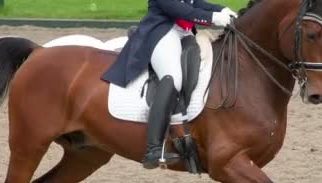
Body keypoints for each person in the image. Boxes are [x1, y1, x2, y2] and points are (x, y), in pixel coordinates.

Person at [101, 0, 237, 169]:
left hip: (184, 33)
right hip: (161, 31)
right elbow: (178, 9)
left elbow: (194, 3)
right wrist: (213, 17)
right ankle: (153, 148)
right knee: (173, 77)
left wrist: (222, 9)